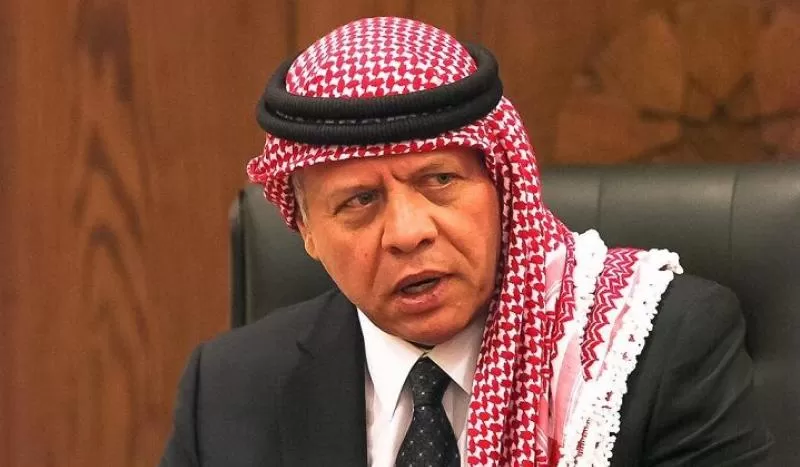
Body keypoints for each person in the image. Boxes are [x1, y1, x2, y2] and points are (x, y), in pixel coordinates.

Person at [159, 17, 772, 467]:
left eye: (440, 181)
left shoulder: (659, 348)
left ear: (501, 188)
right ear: (307, 231)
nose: (409, 232)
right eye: (359, 201)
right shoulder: (227, 390)